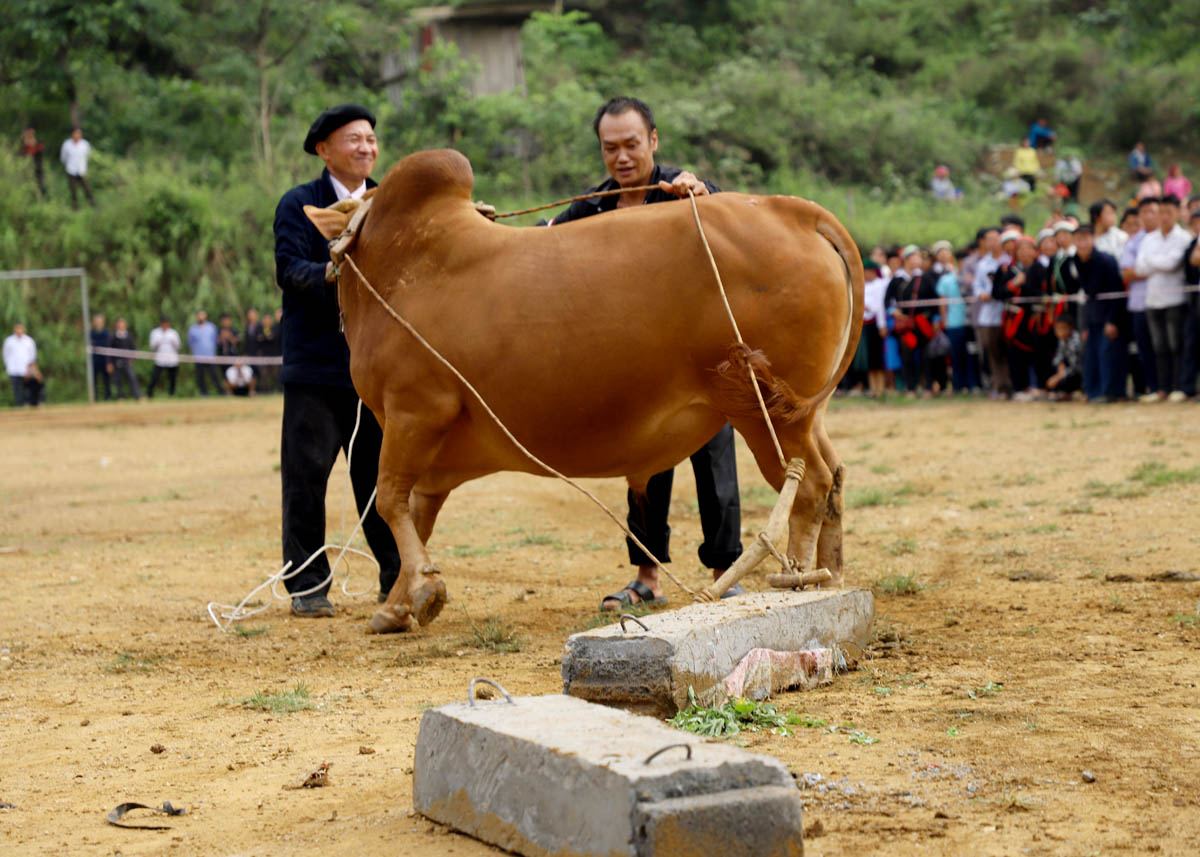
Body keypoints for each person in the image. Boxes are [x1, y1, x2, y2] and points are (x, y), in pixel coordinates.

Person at [550, 96, 743, 609]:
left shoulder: (685, 192)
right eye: (610, 148)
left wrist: (702, 197)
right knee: (642, 472)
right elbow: (539, 250)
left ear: (653, 141)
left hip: (700, 361)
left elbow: (732, 232)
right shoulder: (590, 208)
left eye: (632, 144)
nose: (622, 157)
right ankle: (646, 578)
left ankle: (726, 572)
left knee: (714, 461)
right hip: (632, 368)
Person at [273, 102, 401, 617]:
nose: (366, 147)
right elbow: (290, 270)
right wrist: (339, 271)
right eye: (354, 139)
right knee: (306, 478)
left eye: (370, 138)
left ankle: (397, 578)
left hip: (376, 370)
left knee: (382, 481)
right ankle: (307, 587)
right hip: (317, 368)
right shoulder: (298, 204)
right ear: (324, 150)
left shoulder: (391, 202)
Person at [1135, 194, 1192, 401]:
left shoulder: (1184, 238)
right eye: (1162, 212)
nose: (1164, 216)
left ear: (1178, 213)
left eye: (1169, 212)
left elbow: (1173, 263)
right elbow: (1140, 267)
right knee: (1158, 348)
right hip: (1153, 300)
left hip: (1175, 300)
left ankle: (1178, 387)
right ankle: (1162, 388)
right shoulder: (1149, 238)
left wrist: (1153, 262)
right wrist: (1160, 263)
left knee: (1176, 345)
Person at [1064, 225, 1126, 402]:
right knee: (1091, 355)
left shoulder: (1106, 260)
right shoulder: (1075, 260)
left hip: (1110, 315)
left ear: (1093, 239)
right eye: (1078, 239)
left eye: (1085, 238)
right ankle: (1093, 392)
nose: (1082, 243)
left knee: (1109, 353)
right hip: (1091, 315)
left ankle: (1112, 392)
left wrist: (1112, 321)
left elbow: (1117, 292)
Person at [1122, 198, 1160, 400]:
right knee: (1144, 347)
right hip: (1138, 303)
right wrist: (1156, 269)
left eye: (1153, 211)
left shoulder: (1170, 237)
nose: (1148, 216)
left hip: (1165, 299)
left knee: (1166, 346)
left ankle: (1170, 387)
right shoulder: (1134, 241)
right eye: (1144, 212)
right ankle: (1153, 387)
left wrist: (1145, 269)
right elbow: (1127, 272)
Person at [973, 227, 1011, 398]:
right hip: (988, 314)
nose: (992, 242)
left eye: (995, 239)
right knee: (992, 351)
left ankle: (1012, 384)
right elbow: (977, 285)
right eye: (988, 239)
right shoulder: (982, 264)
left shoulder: (1009, 260)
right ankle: (999, 386)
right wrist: (981, 294)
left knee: (1008, 350)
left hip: (1006, 311)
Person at [1046, 315, 1083, 400]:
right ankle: (1064, 392)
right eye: (1058, 329)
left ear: (1071, 328)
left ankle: (1076, 391)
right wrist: (1060, 364)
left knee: (1062, 379)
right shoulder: (1062, 340)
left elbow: (1076, 367)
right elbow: (1057, 357)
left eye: (1063, 328)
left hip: (1078, 372)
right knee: (1054, 369)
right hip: (1067, 371)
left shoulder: (1075, 341)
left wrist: (1059, 376)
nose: (1060, 332)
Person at [187, 309, 221, 396]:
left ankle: (221, 392)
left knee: (214, 375)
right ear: (197, 317)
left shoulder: (212, 327)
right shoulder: (192, 329)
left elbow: (216, 340)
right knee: (200, 377)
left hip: (210, 356)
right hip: (198, 357)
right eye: (199, 315)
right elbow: (190, 343)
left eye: (203, 315)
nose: (201, 317)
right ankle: (204, 393)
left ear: (206, 316)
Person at [60, 127, 95, 208]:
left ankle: (92, 204)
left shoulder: (85, 144)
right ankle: (75, 206)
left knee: (87, 188)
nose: (77, 135)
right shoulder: (66, 144)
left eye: (79, 133)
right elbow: (63, 158)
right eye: (76, 133)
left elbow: (89, 155)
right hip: (71, 170)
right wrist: (68, 165)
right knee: (73, 189)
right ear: (72, 134)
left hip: (82, 170)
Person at [3, 323, 37, 407]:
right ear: (14, 330)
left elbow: (33, 355)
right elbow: (5, 354)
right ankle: (19, 404)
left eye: (20, 329)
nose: (18, 331)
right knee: (16, 388)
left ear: (23, 330)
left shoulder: (29, 340)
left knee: (27, 387)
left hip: (26, 369)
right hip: (13, 368)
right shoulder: (9, 341)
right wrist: (8, 364)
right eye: (17, 329)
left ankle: (27, 403)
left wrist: (31, 367)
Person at [146, 316, 181, 397]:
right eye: (163, 322)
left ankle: (172, 394)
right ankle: (149, 394)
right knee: (154, 377)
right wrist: (157, 343)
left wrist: (174, 343)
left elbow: (178, 347)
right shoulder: (155, 332)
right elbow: (152, 347)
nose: (165, 324)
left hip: (172, 359)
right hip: (160, 359)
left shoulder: (173, 333)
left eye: (166, 323)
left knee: (172, 379)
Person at [110, 316, 142, 399]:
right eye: (119, 324)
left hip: (127, 361)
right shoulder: (113, 337)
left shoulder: (129, 336)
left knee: (132, 378)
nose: (121, 325)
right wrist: (110, 363)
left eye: (122, 323)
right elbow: (109, 351)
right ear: (117, 325)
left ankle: (137, 396)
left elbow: (133, 348)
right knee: (117, 380)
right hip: (117, 361)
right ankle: (120, 396)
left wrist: (132, 359)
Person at [255, 311, 280, 393]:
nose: (266, 321)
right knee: (264, 374)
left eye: (268, 319)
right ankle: (265, 391)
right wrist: (265, 337)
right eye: (265, 319)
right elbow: (258, 339)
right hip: (264, 356)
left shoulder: (276, 328)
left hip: (274, 356)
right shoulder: (259, 328)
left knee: (275, 374)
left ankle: (278, 390)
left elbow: (271, 338)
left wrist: (264, 336)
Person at [89, 313, 112, 401]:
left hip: (105, 360)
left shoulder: (107, 333)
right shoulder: (91, 333)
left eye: (99, 321)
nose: (98, 323)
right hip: (94, 360)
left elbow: (110, 347)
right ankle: (95, 398)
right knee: (94, 380)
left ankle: (108, 397)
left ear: (103, 322)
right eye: (96, 321)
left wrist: (109, 362)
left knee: (106, 380)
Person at [21, 127, 47, 197]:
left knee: (40, 184)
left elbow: (38, 149)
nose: (30, 135)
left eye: (31, 133)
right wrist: (25, 143)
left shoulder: (38, 143)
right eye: (28, 133)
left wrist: (32, 143)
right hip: (28, 168)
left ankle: (42, 198)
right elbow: (21, 154)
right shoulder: (23, 144)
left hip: (38, 167)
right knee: (28, 184)